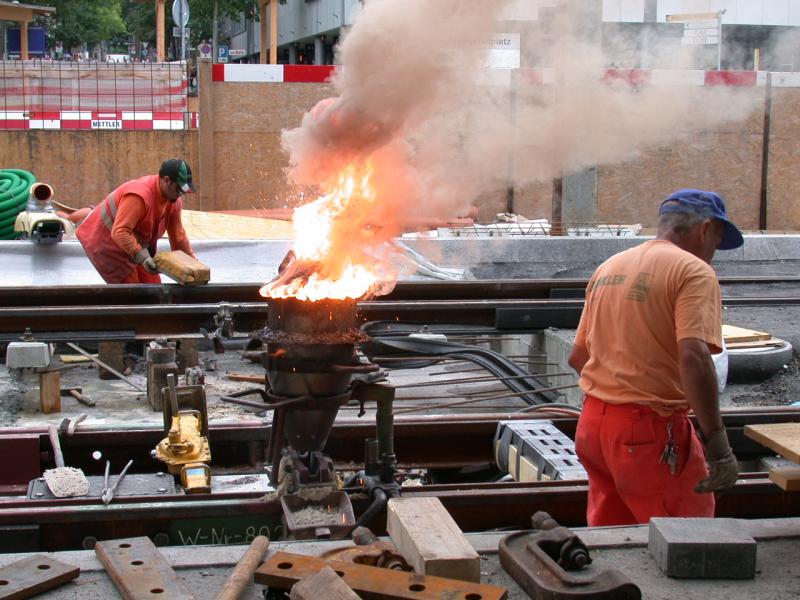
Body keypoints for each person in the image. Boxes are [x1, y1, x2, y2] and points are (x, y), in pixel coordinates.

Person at [568, 189, 742, 526]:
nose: (713, 253)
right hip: (648, 433)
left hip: (593, 428)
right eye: (717, 241)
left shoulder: (610, 267)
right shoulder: (693, 272)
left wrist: (615, 395)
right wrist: (719, 447)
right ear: (705, 229)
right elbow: (694, 357)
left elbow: (579, 356)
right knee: (685, 539)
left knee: (614, 542)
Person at [77, 159, 197, 284]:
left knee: (154, 287)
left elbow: (178, 237)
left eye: (183, 192)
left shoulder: (172, 200)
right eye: (179, 190)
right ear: (166, 180)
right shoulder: (139, 196)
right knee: (134, 293)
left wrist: (194, 266)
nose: (180, 195)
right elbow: (120, 231)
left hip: (130, 244)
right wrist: (142, 257)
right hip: (106, 244)